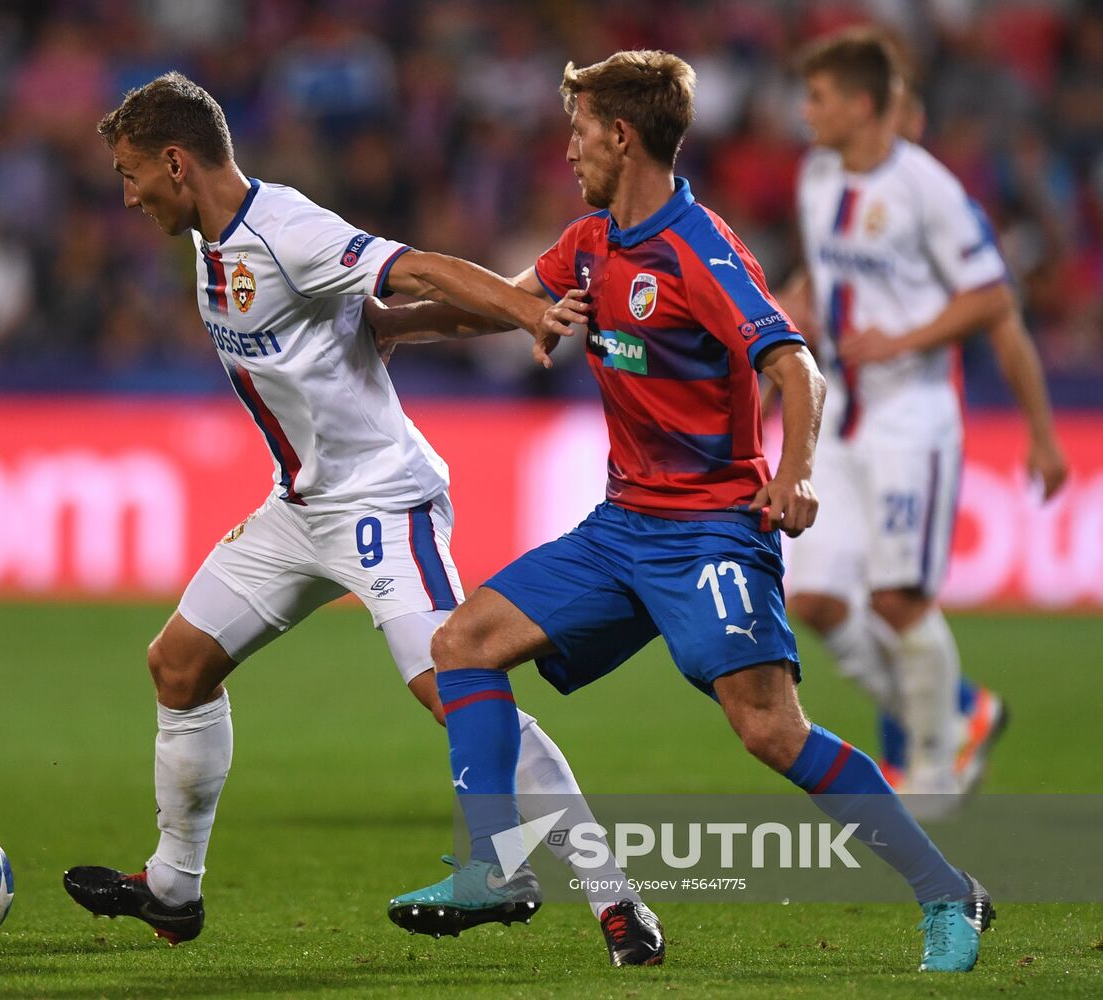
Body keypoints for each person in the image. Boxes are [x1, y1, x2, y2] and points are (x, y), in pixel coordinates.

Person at [378, 49, 993, 974]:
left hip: (710, 530)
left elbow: (794, 364)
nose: (570, 146)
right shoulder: (590, 241)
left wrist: (795, 473)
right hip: (623, 525)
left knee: (770, 730)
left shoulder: (698, 251)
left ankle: (948, 891)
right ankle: (490, 868)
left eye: (581, 131)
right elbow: (511, 309)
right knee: (464, 643)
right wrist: (390, 328)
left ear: (621, 136)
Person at [60, 72, 663, 968]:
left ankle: (615, 899)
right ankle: (174, 888)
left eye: (132, 172)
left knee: (459, 695)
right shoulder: (210, 235)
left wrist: (530, 310)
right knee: (179, 665)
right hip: (298, 507)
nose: (128, 192)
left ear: (177, 163)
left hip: (382, 502)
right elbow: (376, 316)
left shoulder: (287, 229)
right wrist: (455, 323)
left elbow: (415, 263)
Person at [781, 30, 1067, 805]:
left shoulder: (928, 190)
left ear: (862, 105)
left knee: (898, 600)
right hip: (833, 413)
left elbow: (995, 300)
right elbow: (824, 266)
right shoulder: (815, 176)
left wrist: (1040, 433)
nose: (804, 112)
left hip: (911, 417)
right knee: (812, 601)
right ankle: (959, 711)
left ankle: (937, 773)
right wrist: (788, 307)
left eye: (818, 98)